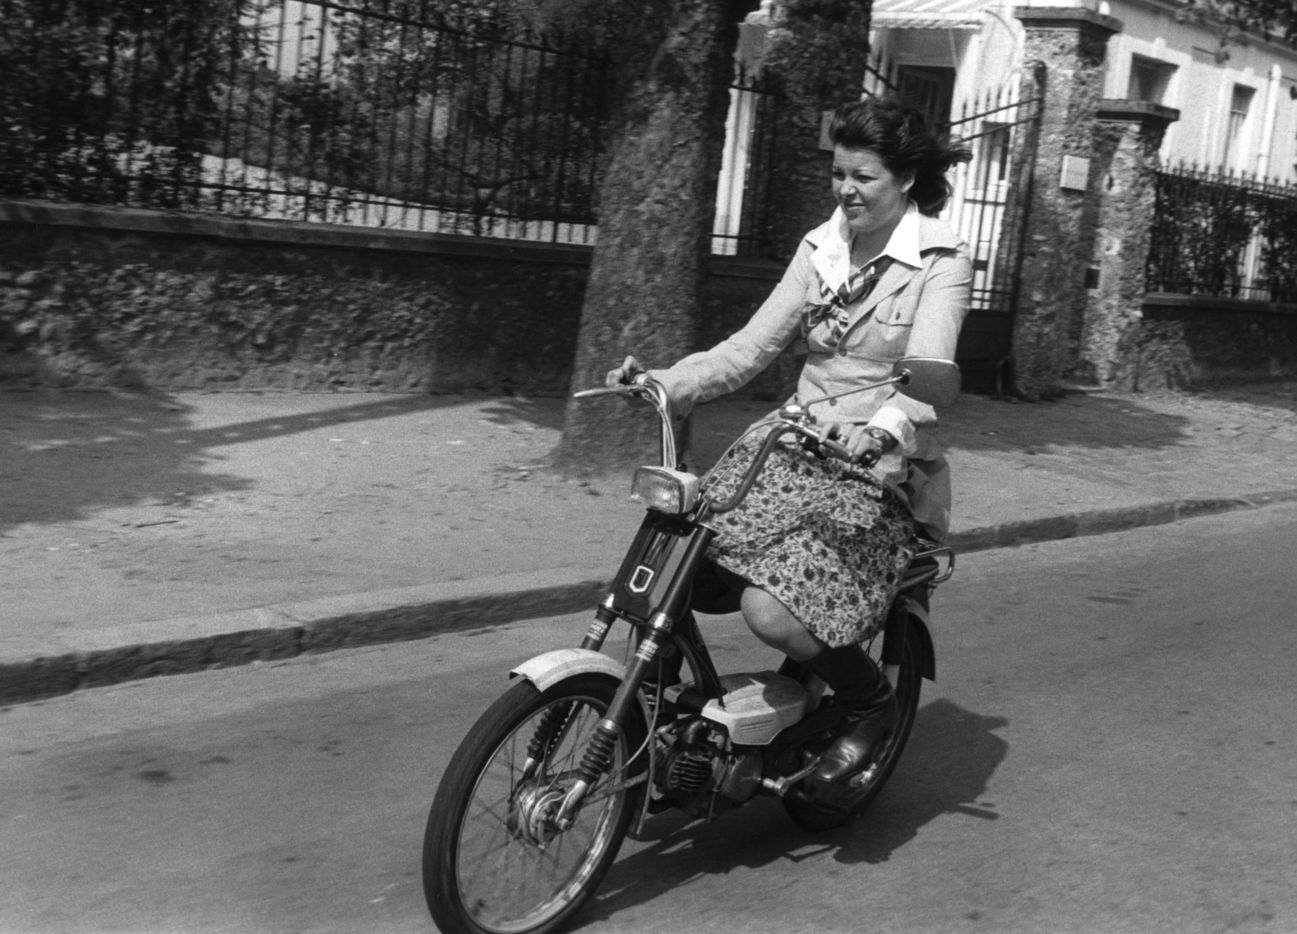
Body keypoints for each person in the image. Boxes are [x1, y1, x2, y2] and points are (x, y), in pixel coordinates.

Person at [607, 97, 973, 783]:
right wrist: (664, 381)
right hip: (790, 448)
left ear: (903, 180)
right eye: (838, 174)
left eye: (862, 176)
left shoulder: (939, 261)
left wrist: (877, 430)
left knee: (769, 610)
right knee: (672, 565)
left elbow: (925, 381)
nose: (845, 189)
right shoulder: (820, 248)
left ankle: (869, 704)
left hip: (877, 471)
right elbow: (748, 348)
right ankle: (658, 709)